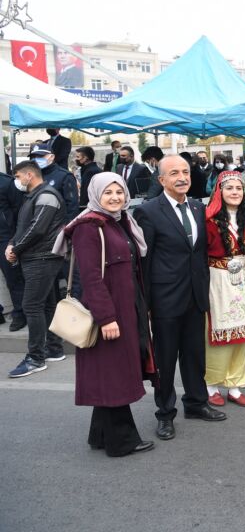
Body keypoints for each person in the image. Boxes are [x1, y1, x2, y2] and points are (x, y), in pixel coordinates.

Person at [55, 173, 155, 457]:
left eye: (119, 192)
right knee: (114, 375)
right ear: (95, 194)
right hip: (110, 313)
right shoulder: (89, 227)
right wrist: (106, 317)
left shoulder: (119, 221)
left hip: (125, 308)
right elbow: (90, 277)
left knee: (109, 372)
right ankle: (122, 441)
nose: (115, 197)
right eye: (108, 192)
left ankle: (99, 435)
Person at [134, 155, 225, 441]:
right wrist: (146, 304)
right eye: (174, 173)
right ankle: (165, 414)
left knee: (195, 356)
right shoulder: (148, 212)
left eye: (185, 172)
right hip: (165, 298)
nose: (182, 177)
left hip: (195, 296)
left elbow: (199, 253)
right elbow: (144, 262)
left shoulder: (198, 207)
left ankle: (196, 404)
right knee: (165, 358)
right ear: (161, 180)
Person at [6, 161, 67, 377]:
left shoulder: (46, 195)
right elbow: (24, 226)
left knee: (31, 306)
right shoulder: (33, 196)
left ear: (29, 175)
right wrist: (13, 244)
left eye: (18, 177)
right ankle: (53, 348)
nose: (17, 181)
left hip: (42, 257)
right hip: (37, 256)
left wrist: (16, 247)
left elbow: (37, 229)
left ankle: (35, 358)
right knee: (47, 305)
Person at [204, 171, 245, 408]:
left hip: (242, 281)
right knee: (218, 335)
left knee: (242, 335)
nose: (235, 192)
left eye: (238, 189)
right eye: (229, 189)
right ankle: (211, 385)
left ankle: (236, 386)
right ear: (220, 192)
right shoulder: (208, 221)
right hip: (218, 281)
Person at [0, 168, 26, 330]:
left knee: (13, 278)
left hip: (5, 238)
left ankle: (20, 313)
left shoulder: (6, 183)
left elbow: (19, 212)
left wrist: (14, 239)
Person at [29, 144, 79, 222]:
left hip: (56, 225)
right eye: (34, 157)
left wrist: (67, 227)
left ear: (52, 157)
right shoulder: (32, 175)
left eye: (40, 156)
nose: (36, 159)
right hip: (35, 222)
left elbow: (72, 205)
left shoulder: (64, 176)